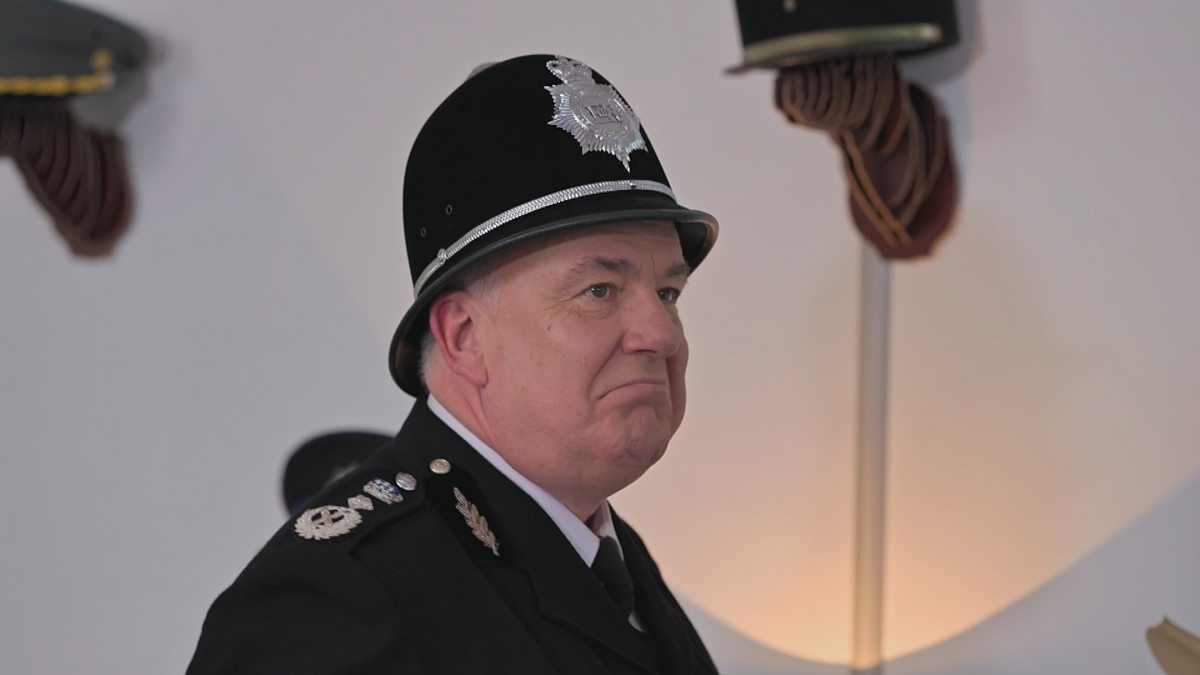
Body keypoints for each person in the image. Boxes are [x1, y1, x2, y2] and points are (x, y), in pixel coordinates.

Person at [187, 53, 720, 675]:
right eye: (598, 291)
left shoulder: (605, 553)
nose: (661, 334)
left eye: (667, 293)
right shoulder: (333, 603)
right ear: (465, 337)